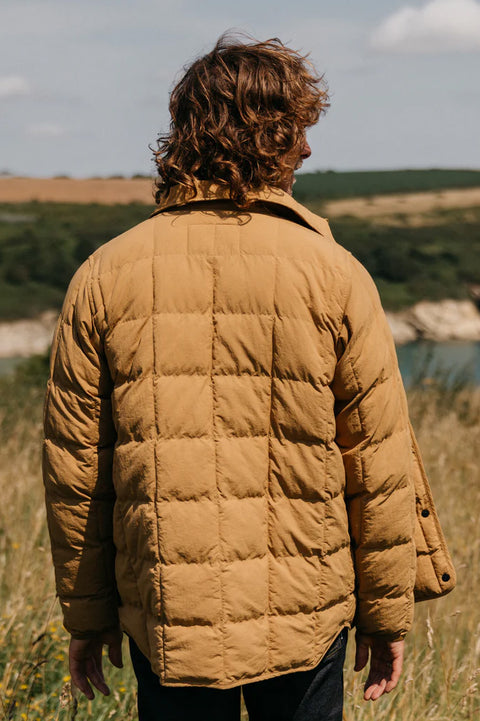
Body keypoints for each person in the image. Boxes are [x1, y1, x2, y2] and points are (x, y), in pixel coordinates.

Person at [42, 34, 455, 721]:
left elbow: (77, 474)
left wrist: (88, 619)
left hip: (167, 618)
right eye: (297, 130)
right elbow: (378, 464)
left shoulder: (103, 276)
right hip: (307, 614)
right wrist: (386, 615)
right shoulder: (335, 273)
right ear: (268, 135)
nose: (310, 150)